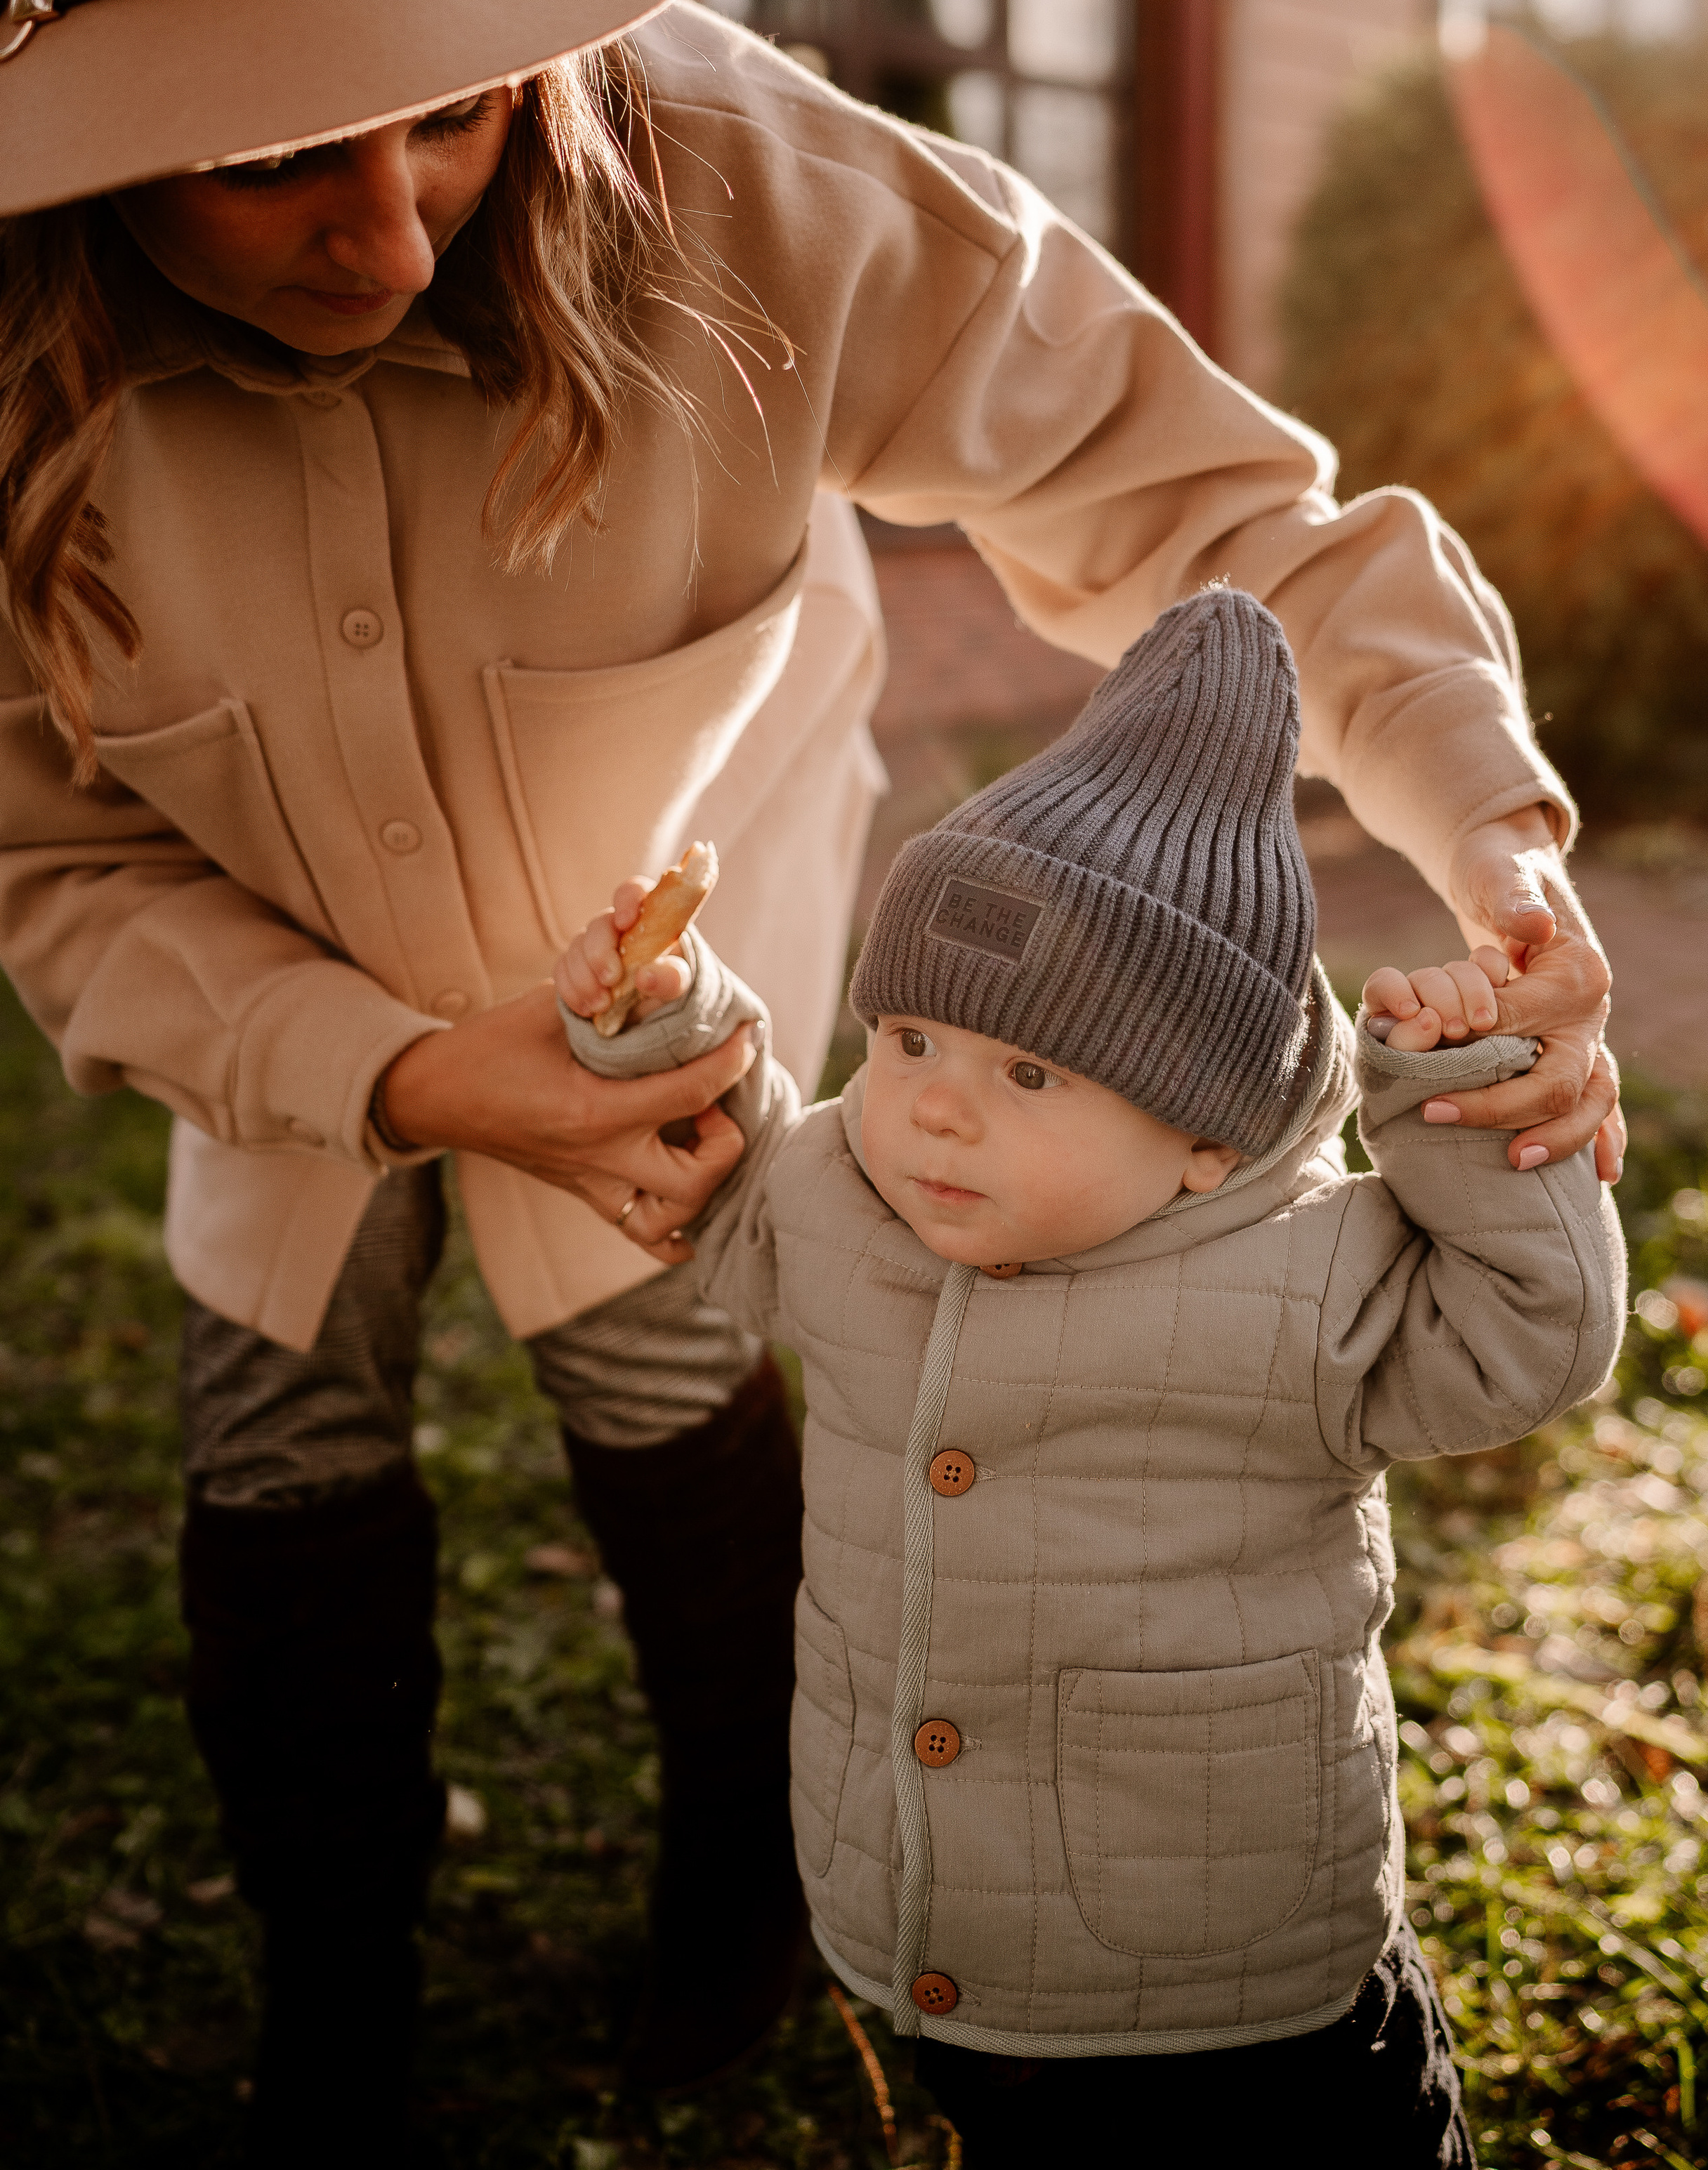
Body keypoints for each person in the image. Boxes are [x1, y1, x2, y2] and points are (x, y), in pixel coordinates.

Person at [0, 0, 1617, 2157]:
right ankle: (331, 1985)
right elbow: (58, 867)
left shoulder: (753, 181)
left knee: (688, 1414)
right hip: (281, 1043)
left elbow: (1233, 521)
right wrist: (402, 1077)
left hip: (679, 1047)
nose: (391, 234)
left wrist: (1490, 830)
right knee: (273, 1448)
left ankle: (744, 1893)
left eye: (451, 116)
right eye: (271, 156)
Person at [555, 591, 1628, 2170]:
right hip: (943, 1931)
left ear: (1204, 1139)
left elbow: (1532, 1336)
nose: (930, 1111)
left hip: (1241, 2007)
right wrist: (659, 1025)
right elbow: (720, 1176)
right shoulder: (848, 1205)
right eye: (910, 1037)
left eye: (1030, 1074)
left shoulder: (1308, 1279)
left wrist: (1460, 1110)